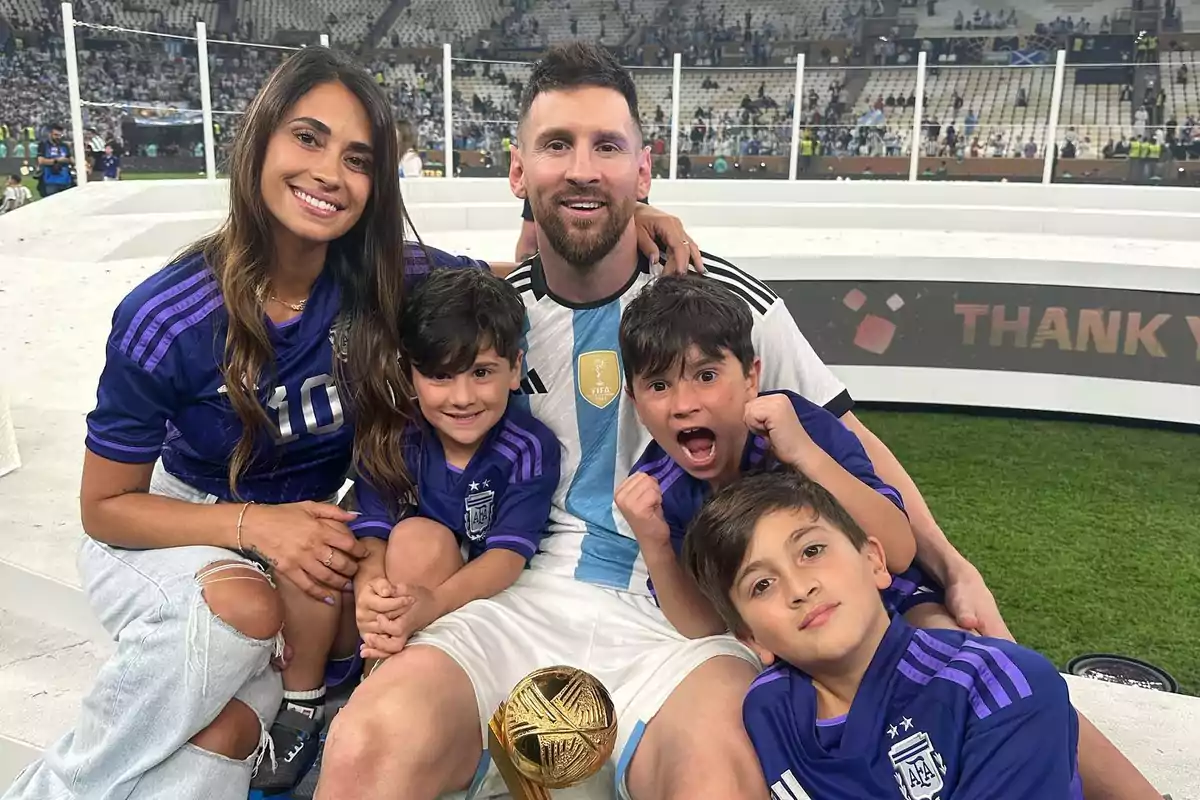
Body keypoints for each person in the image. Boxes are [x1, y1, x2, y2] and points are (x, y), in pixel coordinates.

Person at [315, 41, 946, 800]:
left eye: (607, 147)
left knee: (718, 783)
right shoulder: (492, 315)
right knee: (364, 746)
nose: (582, 168)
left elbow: (851, 441)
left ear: (642, 173)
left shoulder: (721, 302)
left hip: (684, 612)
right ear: (519, 173)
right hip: (513, 591)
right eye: (557, 145)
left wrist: (952, 568)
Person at [1, 47, 498, 800]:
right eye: (308, 138)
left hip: (295, 534)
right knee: (243, 611)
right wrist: (255, 529)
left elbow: (504, 286)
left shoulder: (388, 279)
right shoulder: (167, 315)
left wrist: (633, 215)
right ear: (259, 140)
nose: (330, 171)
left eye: (358, 158)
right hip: (170, 526)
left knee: (231, 733)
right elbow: (104, 509)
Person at [252, 267, 561, 793]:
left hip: (469, 600)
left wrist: (426, 604)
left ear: (516, 370)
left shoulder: (529, 446)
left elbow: (507, 558)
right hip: (397, 602)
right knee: (316, 544)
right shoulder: (397, 434)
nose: (462, 396)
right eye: (440, 376)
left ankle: (373, 705)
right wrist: (373, 589)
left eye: (482, 373)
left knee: (422, 538)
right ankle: (311, 701)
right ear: (410, 374)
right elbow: (372, 530)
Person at [682, 471, 1083, 799]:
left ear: (874, 560)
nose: (800, 588)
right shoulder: (767, 711)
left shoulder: (999, 684)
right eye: (762, 585)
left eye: (811, 551)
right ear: (753, 638)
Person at [613, 274, 956, 639]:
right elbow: (706, 626)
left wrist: (806, 455)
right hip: (790, 648)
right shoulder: (657, 488)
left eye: (707, 375)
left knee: (956, 652)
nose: (684, 405)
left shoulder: (801, 426)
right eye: (659, 386)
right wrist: (656, 546)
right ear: (634, 402)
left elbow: (899, 552)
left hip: (890, 603)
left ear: (751, 378)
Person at [36, 123, 74, 197]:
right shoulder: (44, 145)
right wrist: (57, 160)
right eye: (56, 135)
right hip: (50, 180)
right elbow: (41, 161)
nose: (58, 137)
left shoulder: (64, 146)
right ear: (50, 134)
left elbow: (71, 159)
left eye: (60, 135)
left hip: (65, 180)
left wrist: (71, 161)